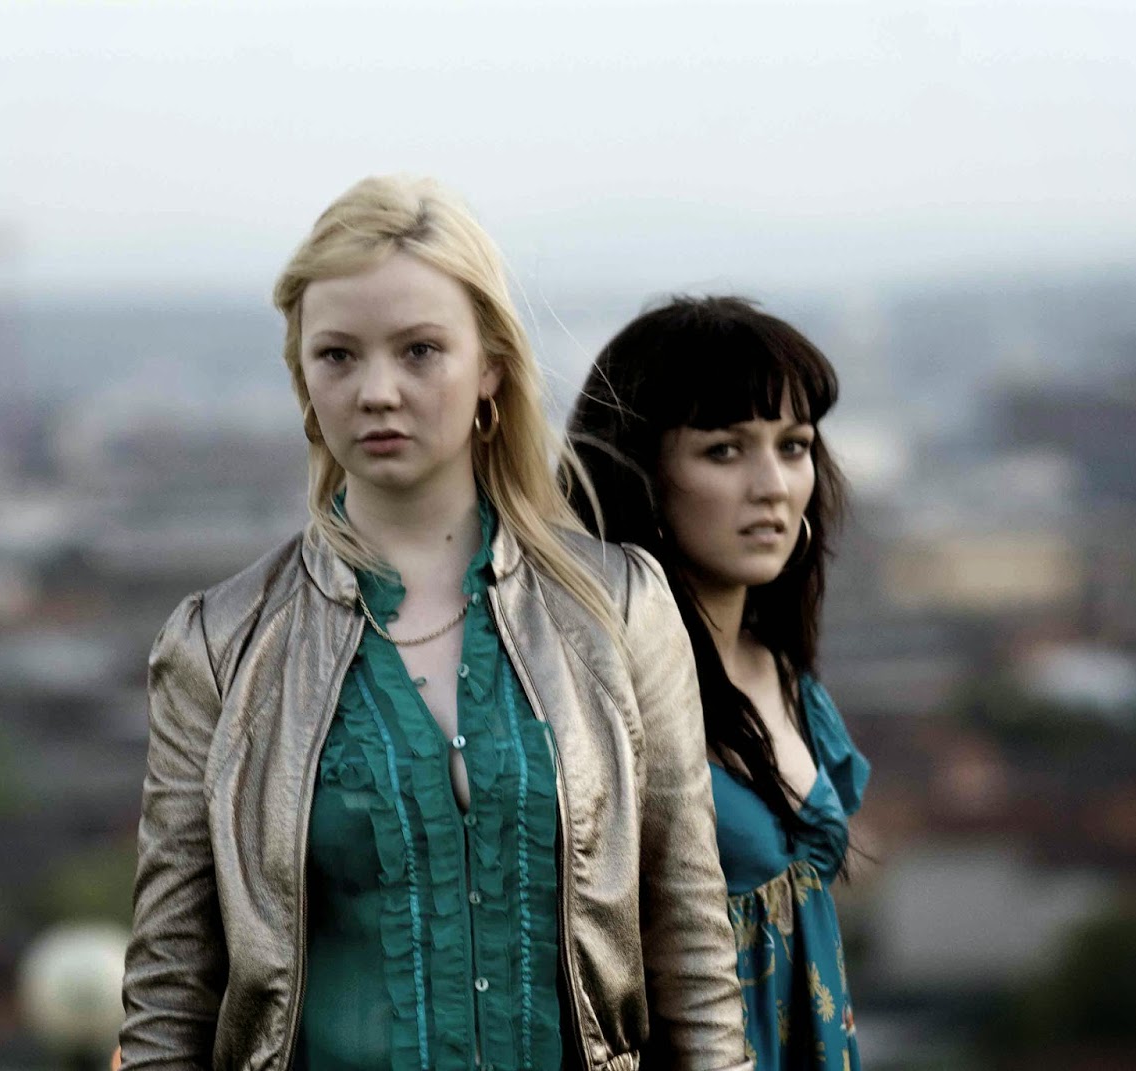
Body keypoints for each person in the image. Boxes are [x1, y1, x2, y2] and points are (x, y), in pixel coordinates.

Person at [118, 176, 750, 1071]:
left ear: (490, 365)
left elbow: (692, 958)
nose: (378, 390)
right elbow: (169, 999)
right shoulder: (220, 647)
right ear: (303, 377)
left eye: (419, 350)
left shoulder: (618, 610)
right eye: (338, 355)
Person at [565, 297, 870, 1071]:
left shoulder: (785, 674)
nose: (773, 485)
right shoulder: (593, 699)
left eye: (794, 446)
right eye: (725, 450)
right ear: (640, 472)